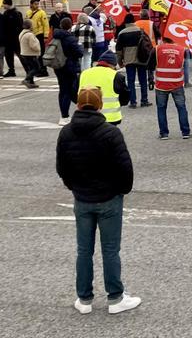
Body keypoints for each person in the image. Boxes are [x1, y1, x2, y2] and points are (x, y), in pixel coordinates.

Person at [56, 86, 141, 315]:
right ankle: (115, 297)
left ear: (78, 105)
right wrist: (121, 190)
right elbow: (125, 167)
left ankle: (84, 299)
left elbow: (62, 167)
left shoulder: (66, 133)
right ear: (100, 104)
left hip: (82, 197)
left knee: (84, 250)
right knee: (110, 250)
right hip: (108, 197)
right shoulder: (110, 133)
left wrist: (74, 187)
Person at [78, 51, 130, 126]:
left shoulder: (84, 73)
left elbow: (74, 93)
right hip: (111, 118)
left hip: (86, 116)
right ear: (112, 65)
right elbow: (125, 97)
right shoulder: (116, 76)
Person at [154, 36, 191, 140]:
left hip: (161, 84)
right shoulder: (182, 49)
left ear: (163, 39)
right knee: (181, 107)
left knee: (161, 109)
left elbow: (150, 65)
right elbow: (185, 65)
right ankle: (185, 132)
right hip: (177, 83)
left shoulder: (157, 49)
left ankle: (164, 133)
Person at [115, 14, 152, 109]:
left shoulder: (122, 33)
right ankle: (144, 100)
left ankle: (133, 102)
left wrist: (120, 62)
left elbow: (118, 50)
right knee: (143, 80)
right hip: (141, 58)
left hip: (129, 59)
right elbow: (148, 45)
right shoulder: (141, 31)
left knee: (130, 81)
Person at [52, 18, 83, 126]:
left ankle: (64, 115)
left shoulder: (55, 36)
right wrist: (79, 47)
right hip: (69, 66)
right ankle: (67, 115)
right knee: (70, 90)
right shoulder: (70, 38)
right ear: (70, 26)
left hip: (58, 66)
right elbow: (79, 53)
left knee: (63, 90)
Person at [27, 0, 50, 77]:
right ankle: (37, 69)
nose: (37, 5)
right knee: (33, 54)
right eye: (35, 4)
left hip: (39, 34)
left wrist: (46, 36)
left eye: (37, 4)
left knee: (41, 53)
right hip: (31, 34)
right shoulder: (28, 12)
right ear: (31, 4)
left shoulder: (42, 13)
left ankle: (43, 70)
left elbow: (46, 24)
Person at [2, 0, 23, 77]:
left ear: (7, 4)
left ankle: (28, 70)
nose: (3, 5)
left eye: (4, 4)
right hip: (8, 39)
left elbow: (20, 26)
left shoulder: (16, 13)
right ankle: (11, 70)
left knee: (20, 55)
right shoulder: (6, 13)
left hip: (15, 39)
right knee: (8, 55)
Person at [19, 20, 41, 89]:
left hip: (24, 53)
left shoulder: (22, 33)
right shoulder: (30, 35)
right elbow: (33, 46)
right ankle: (26, 79)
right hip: (30, 54)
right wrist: (38, 49)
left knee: (30, 68)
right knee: (36, 68)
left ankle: (31, 82)